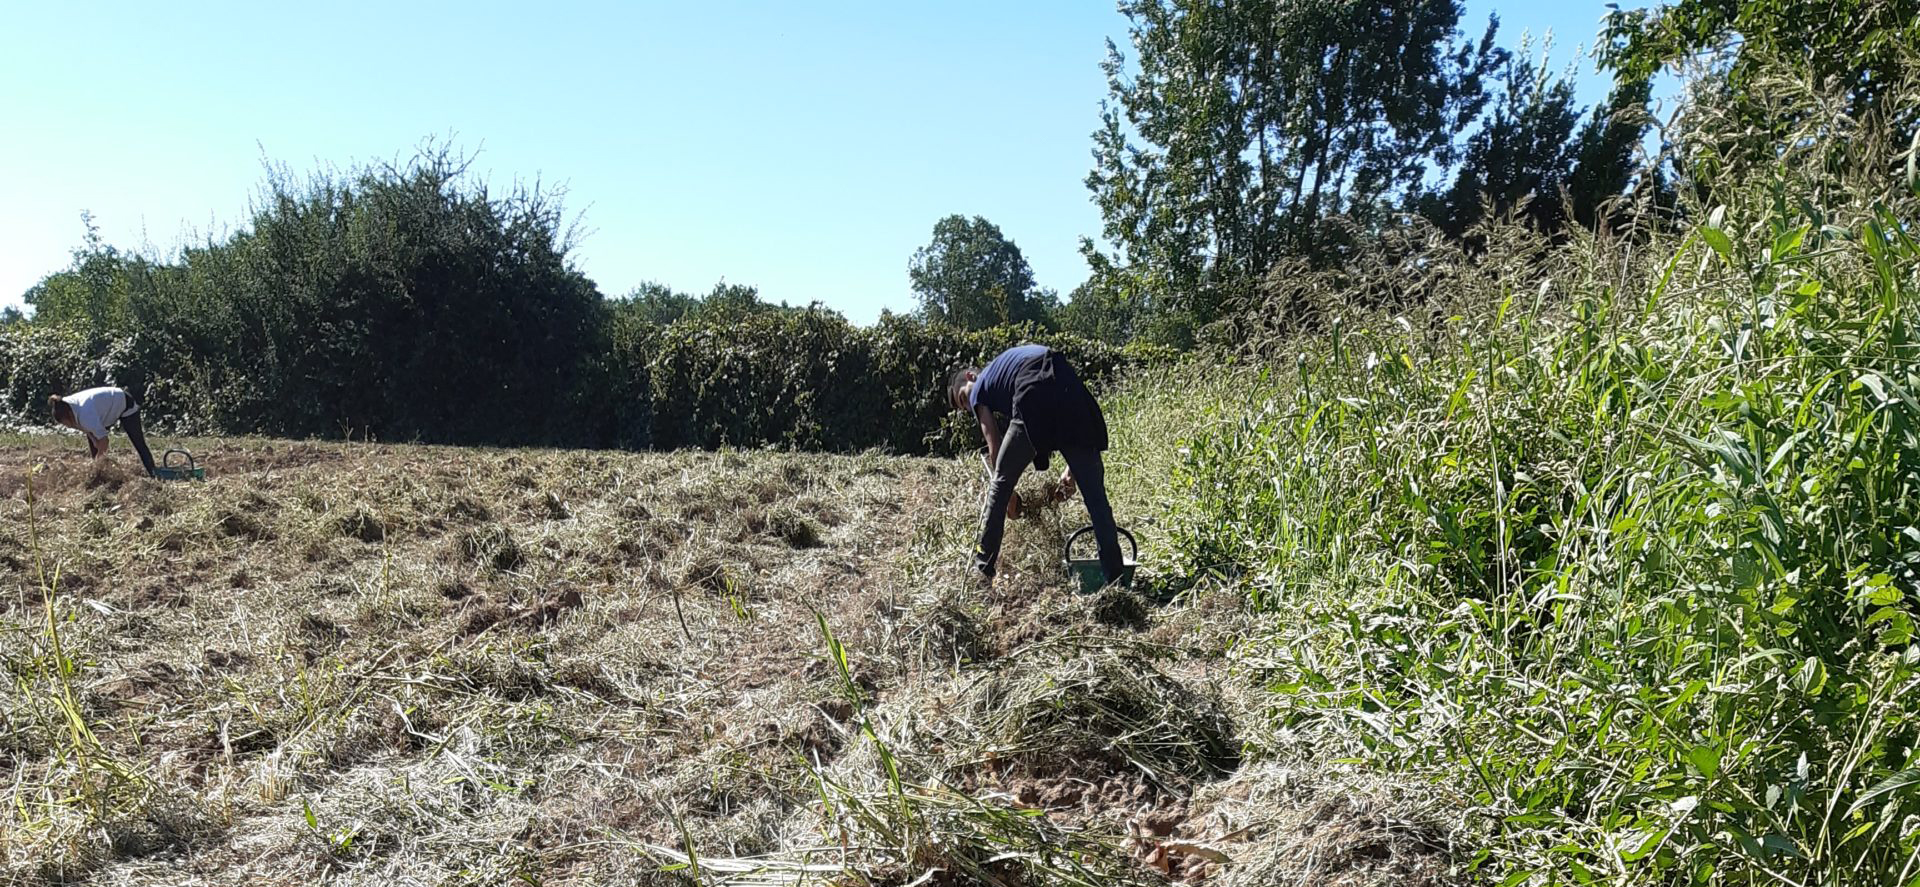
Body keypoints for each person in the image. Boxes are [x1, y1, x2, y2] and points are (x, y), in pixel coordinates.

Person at [948, 344, 1124, 586]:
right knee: (1096, 499)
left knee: (998, 487)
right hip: (1067, 382)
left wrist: (1007, 493)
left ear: (970, 376)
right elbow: (1077, 426)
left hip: (1033, 386)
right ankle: (1116, 579)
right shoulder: (1005, 371)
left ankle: (982, 570)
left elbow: (995, 446)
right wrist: (1072, 470)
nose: (970, 407)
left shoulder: (979, 387)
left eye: (963, 398)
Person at [49, 386, 156, 477]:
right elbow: (87, 429)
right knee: (94, 445)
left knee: (138, 441)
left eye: (66, 423)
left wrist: (99, 460)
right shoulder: (64, 404)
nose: (67, 426)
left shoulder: (86, 415)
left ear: (69, 415)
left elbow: (104, 441)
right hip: (104, 409)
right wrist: (94, 441)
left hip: (124, 402)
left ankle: (153, 472)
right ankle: (98, 476)